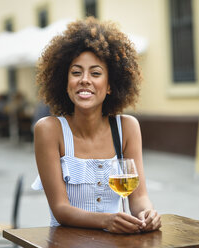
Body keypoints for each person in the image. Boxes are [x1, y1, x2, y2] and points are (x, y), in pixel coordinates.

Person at [31, 17, 161, 233]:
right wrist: (105, 221)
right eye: (76, 72)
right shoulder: (49, 130)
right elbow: (60, 209)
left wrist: (147, 214)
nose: (85, 79)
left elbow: (139, 198)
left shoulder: (127, 128)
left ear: (110, 85)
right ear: (65, 83)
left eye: (96, 73)